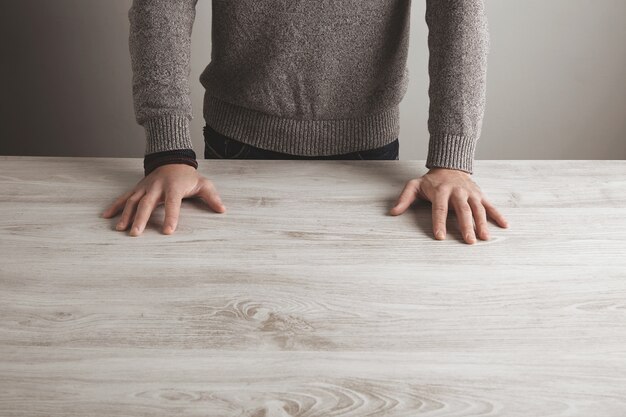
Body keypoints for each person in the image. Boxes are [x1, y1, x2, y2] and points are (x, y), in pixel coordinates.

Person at [102, 0, 509, 244]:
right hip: (234, 153)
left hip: (370, 158)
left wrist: (452, 159)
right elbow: (162, 7)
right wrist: (167, 150)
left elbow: (458, 12)